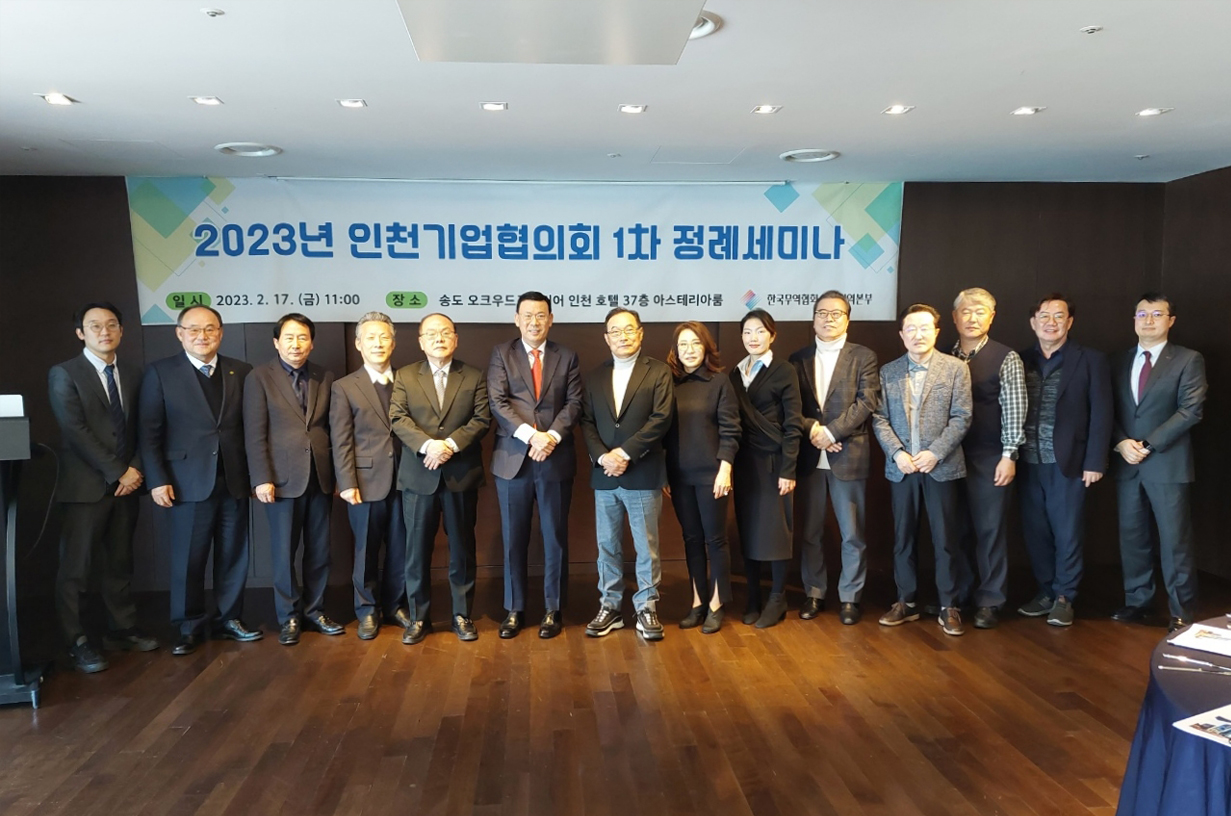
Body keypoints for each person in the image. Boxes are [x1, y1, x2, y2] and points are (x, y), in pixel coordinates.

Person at [140, 304, 260, 656]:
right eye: (193, 329)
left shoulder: (241, 371)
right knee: (188, 559)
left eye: (210, 329)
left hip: (234, 480)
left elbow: (251, 429)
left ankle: (229, 618)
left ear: (220, 333)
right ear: (179, 334)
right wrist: (157, 479)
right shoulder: (161, 373)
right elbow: (148, 432)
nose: (202, 336)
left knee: (234, 554)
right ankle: (188, 625)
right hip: (185, 482)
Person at [48, 302, 157, 672]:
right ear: (81, 333)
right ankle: (76, 639)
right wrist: (118, 471)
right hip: (86, 488)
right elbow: (75, 431)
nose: (104, 331)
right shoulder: (65, 373)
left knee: (119, 563)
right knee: (76, 568)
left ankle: (122, 629)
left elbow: (144, 426)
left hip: (127, 485)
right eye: (94, 326)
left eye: (111, 324)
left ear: (122, 331)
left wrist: (135, 469)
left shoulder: (134, 372)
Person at [390, 313, 491, 645]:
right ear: (421, 341)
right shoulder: (405, 375)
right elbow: (398, 418)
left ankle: (462, 615)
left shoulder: (473, 375)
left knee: (462, 548)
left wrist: (448, 445)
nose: (439, 338)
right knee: (416, 552)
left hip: (460, 474)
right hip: (418, 476)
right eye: (431, 333)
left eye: (445, 332)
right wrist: (428, 446)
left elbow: (481, 419)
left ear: (456, 339)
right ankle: (419, 617)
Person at [872, 304, 972, 636]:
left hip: (941, 466)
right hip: (902, 468)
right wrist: (897, 453)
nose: (918, 334)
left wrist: (935, 453)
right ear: (902, 334)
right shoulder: (888, 371)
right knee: (903, 539)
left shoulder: (955, 368)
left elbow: (962, 417)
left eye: (924, 328)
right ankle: (906, 601)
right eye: (911, 329)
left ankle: (949, 605)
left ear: (936, 332)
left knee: (945, 539)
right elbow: (879, 418)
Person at [488, 292, 583, 640]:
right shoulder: (502, 353)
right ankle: (514, 609)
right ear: (517, 319)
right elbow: (498, 401)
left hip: (554, 459)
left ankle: (553, 608)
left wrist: (551, 437)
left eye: (541, 315)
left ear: (551, 319)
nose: (534, 322)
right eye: (527, 315)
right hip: (513, 460)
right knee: (514, 538)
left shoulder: (567, 356)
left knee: (555, 537)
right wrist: (532, 437)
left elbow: (574, 403)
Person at [1110, 293, 1206, 633]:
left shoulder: (1188, 359)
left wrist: (1148, 444)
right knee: (1132, 537)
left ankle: (1181, 610)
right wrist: (1121, 442)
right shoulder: (1118, 360)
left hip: (1167, 463)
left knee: (1174, 540)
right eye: (1141, 314)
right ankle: (1139, 602)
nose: (1148, 320)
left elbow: (1190, 411)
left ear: (1171, 321)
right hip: (1127, 461)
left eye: (1156, 314)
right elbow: (1107, 408)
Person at [243, 313, 341, 645]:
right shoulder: (259, 377)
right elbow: (254, 433)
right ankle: (289, 617)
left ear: (311, 343)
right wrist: (261, 477)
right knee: (284, 553)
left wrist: (338, 475)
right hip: (280, 480)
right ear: (276, 342)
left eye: (302, 338)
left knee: (320, 550)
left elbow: (330, 429)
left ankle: (315, 611)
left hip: (320, 477)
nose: (296, 344)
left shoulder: (324, 376)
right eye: (289, 337)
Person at [1016, 294, 1112, 627]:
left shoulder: (1090, 360)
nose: (1051, 322)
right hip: (1027, 461)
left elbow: (1102, 412)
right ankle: (1045, 592)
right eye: (1044, 316)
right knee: (1036, 532)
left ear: (1069, 322)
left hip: (1069, 462)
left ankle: (1064, 596)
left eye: (1059, 316)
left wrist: (1095, 461)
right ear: (1033, 322)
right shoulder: (1020, 359)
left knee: (1067, 532)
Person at [580, 308, 674, 640]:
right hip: (605, 475)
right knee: (607, 545)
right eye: (615, 331)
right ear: (606, 338)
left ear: (640, 333)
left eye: (628, 329)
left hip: (643, 472)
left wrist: (624, 454)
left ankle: (647, 607)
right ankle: (610, 607)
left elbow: (661, 419)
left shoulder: (658, 372)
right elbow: (587, 422)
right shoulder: (595, 376)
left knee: (647, 546)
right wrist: (603, 457)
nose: (623, 336)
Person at [789, 291, 880, 626]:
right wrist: (813, 429)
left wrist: (832, 433)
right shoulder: (798, 358)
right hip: (810, 456)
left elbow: (867, 401)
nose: (828, 319)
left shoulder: (864, 356)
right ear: (813, 318)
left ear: (847, 319)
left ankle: (850, 597)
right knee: (810, 532)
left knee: (852, 533)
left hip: (848, 453)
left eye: (836, 313)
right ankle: (814, 592)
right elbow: (792, 406)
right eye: (822, 313)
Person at [949, 288, 1026, 630]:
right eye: (966, 311)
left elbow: (1014, 409)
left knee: (989, 530)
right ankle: (961, 593)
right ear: (955, 318)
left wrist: (1009, 454)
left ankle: (990, 599)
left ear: (991, 317)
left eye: (980, 311)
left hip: (991, 456)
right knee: (956, 529)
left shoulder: (1005, 357)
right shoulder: (943, 355)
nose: (972, 317)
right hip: (950, 456)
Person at [330, 312, 409, 641]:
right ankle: (366, 610)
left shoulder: (407, 380)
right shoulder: (344, 387)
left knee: (401, 548)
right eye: (371, 338)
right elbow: (341, 439)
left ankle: (395, 605)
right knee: (366, 550)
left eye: (384, 337)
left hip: (405, 480)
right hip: (364, 482)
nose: (378, 343)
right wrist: (347, 482)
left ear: (393, 342)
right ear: (358, 344)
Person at [664, 321, 740, 634]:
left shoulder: (719, 382)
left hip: (712, 475)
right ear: (675, 350)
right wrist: (664, 474)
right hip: (679, 476)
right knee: (691, 538)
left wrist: (726, 468)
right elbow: (662, 433)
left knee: (715, 539)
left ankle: (717, 604)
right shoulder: (668, 383)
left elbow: (731, 429)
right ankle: (698, 602)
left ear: (706, 347)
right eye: (683, 345)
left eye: (695, 343)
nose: (689, 350)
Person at [730, 309, 803, 629]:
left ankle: (777, 597)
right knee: (749, 530)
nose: (753, 338)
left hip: (775, 463)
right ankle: (753, 597)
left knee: (777, 531)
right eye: (747, 332)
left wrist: (789, 469)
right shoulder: (736, 372)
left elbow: (793, 424)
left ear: (772, 335)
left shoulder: (784, 370)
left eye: (760, 331)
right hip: (745, 463)